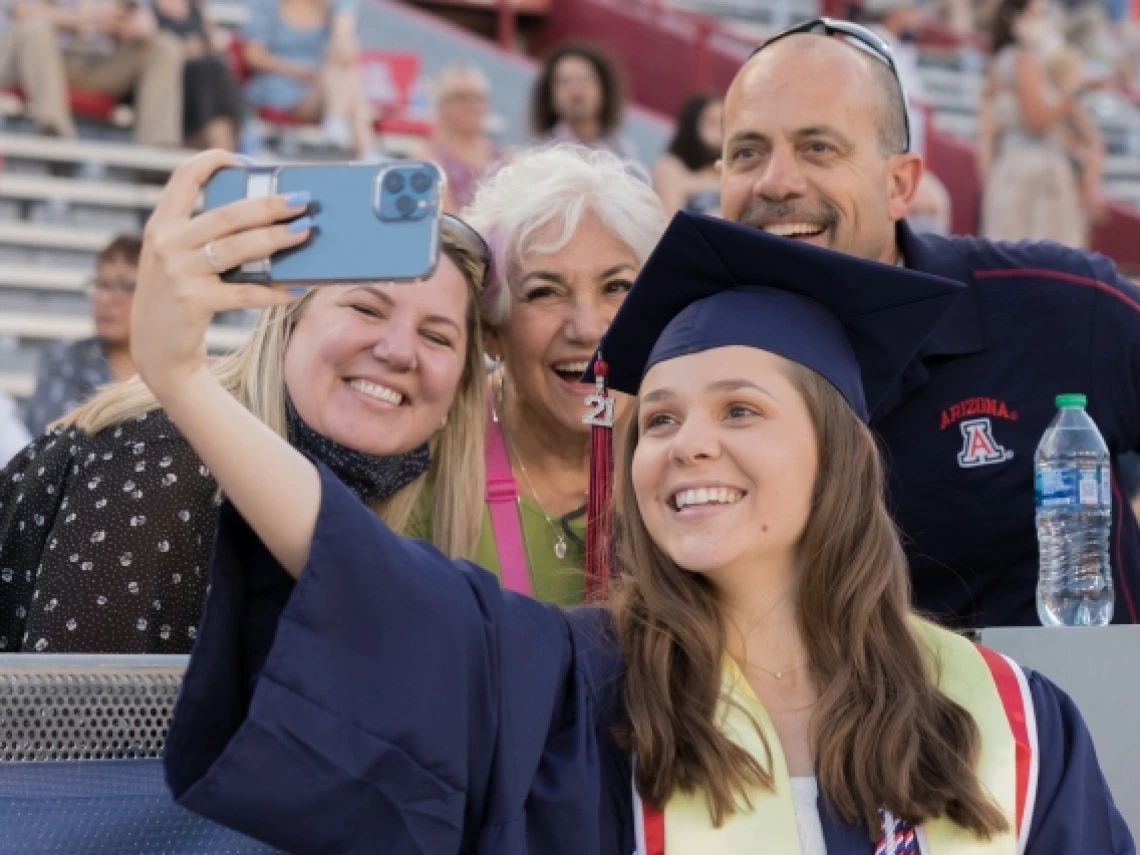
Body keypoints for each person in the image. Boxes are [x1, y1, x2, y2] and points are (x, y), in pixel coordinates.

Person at [119, 160, 1131, 851]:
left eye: (741, 410)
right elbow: (362, 576)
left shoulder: (1011, 721)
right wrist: (184, 380)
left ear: (848, 455)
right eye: (661, 419)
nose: (688, 441)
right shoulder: (565, 686)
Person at [714, 17, 1140, 628]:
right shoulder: (689, 365)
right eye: (748, 152)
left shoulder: (1061, 310)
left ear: (899, 185)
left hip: (1070, 716)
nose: (777, 182)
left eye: (818, 147)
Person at [0, 198, 490, 654]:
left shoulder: (399, 495)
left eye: (436, 336)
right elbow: (72, 731)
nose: (400, 350)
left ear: (459, 388)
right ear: (288, 323)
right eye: (366, 308)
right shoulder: (171, 453)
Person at [409, 145, 667, 603]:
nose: (586, 328)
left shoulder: (688, 463)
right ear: (492, 332)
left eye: (616, 287)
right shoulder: (425, 468)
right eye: (546, 292)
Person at [980, 0, 1103, 247]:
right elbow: (1035, 119)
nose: (1048, 20)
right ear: (1019, 18)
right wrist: (1073, 92)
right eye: (1040, 12)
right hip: (1032, 172)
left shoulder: (1023, 61)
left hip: (1021, 169)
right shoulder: (1022, 59)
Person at [0, 0, 183, 146]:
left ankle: (157, 149)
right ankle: (55, 133)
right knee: (36, 30)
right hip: (33, 61)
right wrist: (93, 19)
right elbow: (24, 13)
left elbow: (146, 25)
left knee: (164, 46)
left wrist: (130, 26)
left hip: (95, 64)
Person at [25, 235, 142, 436]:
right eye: (101, 285)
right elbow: (44, 440)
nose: (105, 299)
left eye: (127, 286)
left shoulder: (186, 371)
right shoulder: (64, 361)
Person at [858, 0, 954, 235]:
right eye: (914, 7)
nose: (920, 15)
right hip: (878, 168)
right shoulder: (866, 47)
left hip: (901, 167)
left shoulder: (899, 50)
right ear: (894, 11)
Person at [241, 0, 373, 158]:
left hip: (325, 84)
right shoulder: (267, 4)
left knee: (346, 68)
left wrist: (341, 33)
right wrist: (295, 69)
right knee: (349, 81)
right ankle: (364, 148)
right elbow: (253, 56)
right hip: (281, 84)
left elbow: (344, 50)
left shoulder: (337, 5)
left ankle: (338, 127)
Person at [411, 64, 507, 214]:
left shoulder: (502, 154)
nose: (470, 106)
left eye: (477, 98)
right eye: (459, 98)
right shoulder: (427, 158)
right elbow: (446, 221)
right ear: (440, 105)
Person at [153, 0, 244, 150]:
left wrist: (203, 45)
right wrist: (182, 48)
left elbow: (215, 47)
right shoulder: (150, 8)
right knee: (206, 68)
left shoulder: (197, 9)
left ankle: (219, 130)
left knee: (214, 66)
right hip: (173, 79)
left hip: (203, 78)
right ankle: (213, 133)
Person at [530, 41, 636, 160]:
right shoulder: (540, 155)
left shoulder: (621, 152)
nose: (576, 90)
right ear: (550, 95)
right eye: (565, 81)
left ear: (604, 90)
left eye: (585, 80)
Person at [652, 92, 723, 217]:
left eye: (724, 125)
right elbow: (671, 218)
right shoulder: (670, 165)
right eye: (713, 123)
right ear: (692, 124)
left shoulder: (724, 174)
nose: (720, 132)